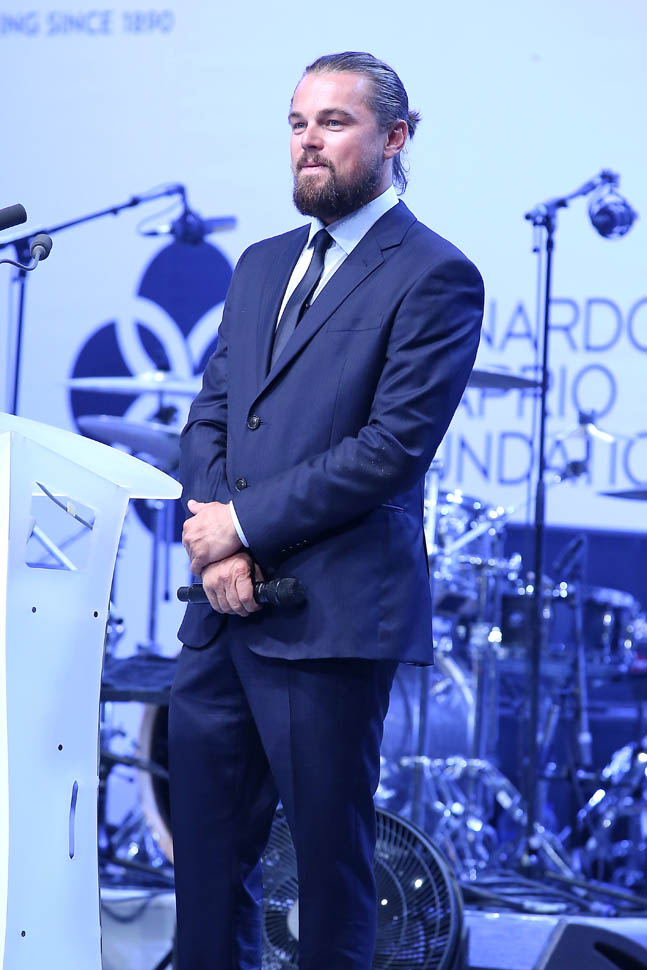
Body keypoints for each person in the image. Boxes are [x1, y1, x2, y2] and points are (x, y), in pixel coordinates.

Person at [169, 50, 484, 970]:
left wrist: (241, 527)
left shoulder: (434, 274)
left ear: (395, 138)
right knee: (204, 873)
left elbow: (389, 450)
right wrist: (220, 548)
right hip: (220, 618)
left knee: (326, 875)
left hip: (329, 623)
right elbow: (210, 416)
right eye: (298, 123)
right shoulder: (260, 263)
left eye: (334, 122)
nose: (309, 141)